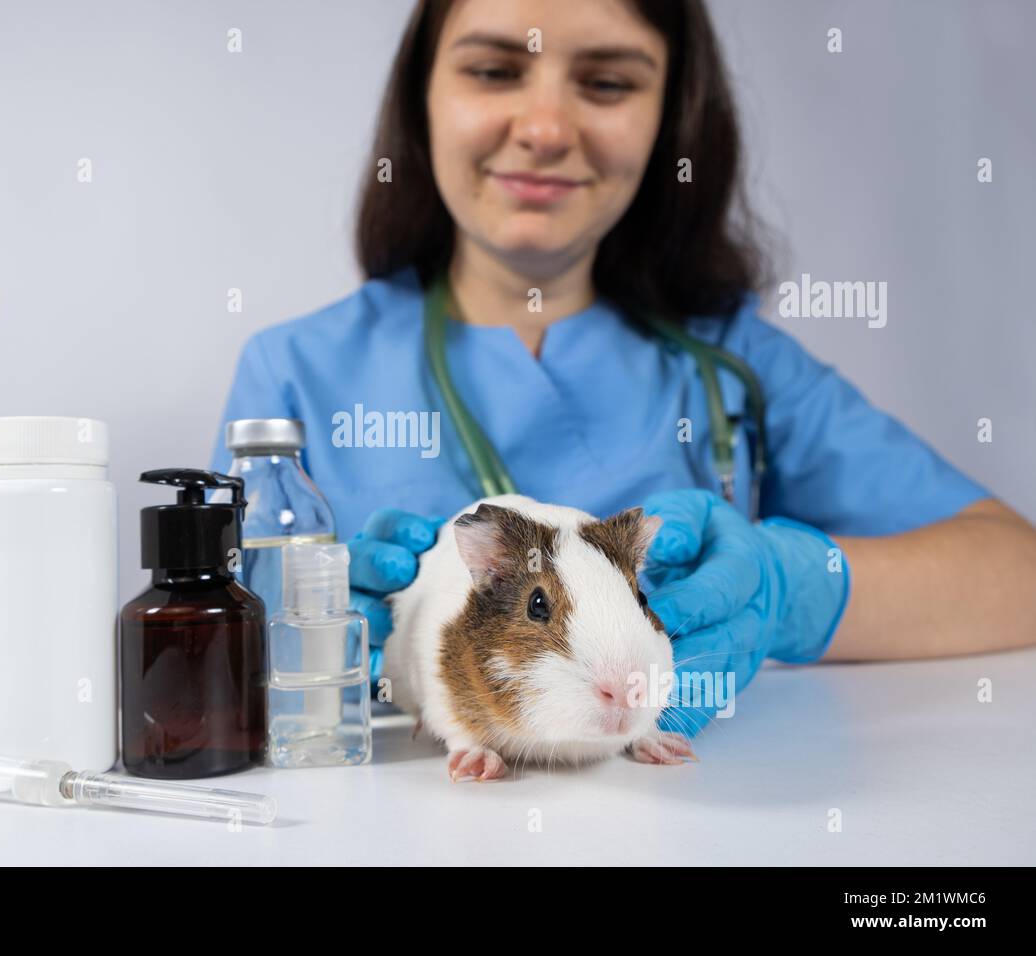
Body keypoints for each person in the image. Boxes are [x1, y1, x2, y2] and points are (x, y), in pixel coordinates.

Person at [210, 0, 1036, 741]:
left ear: (671, 119)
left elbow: (1017, 573)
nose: (544, 128)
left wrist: (788, 589)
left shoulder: (735, 367)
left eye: (606, 83)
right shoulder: (293, 374)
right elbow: (205, 644)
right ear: (420, 96)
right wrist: (298, 630)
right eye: (495, 70)